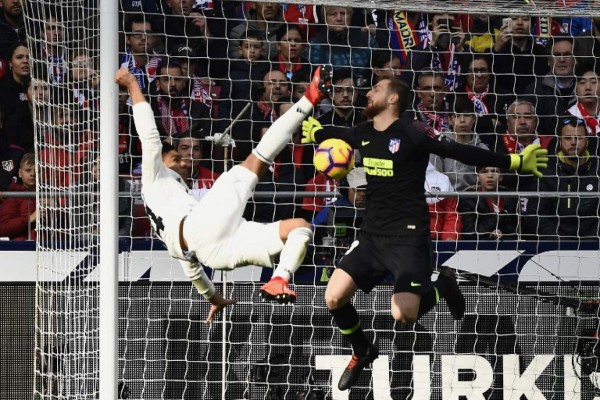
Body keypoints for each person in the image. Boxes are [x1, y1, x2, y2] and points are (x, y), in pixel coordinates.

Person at [300, 76, 548, 390]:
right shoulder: (362, 132)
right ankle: (362, 350)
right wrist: (317, 132)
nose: (368, 93)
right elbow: (342, 134)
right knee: (333, 297)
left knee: (403, 316)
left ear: (392, 99)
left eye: (375, 89)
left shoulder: (413, 131)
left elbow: (459, 151)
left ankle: (442, 284)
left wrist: (512, 161)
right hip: (371, 236)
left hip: (408, 237)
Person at [114, 64, 332, 321]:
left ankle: (279, 279)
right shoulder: (154, 176)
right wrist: (132, 84)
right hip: (202, 229)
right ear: (160, 163)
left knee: (300, 228)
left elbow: (192, 269)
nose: (184, 160)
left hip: (209, 252)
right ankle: (310, 98)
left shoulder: (167, 211)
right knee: (258, 158)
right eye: (176, 157)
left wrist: (213, 298)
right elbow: (150, 136)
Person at [534, 116, 600, 240]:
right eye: (568, 138)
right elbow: (539, 216)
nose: (573, 142)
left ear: (587, 141)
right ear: (559, 141)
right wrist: (562, 244)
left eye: (579, 138)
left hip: (595, 245)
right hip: (555, 247)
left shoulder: (597, 170)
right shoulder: (546, 171)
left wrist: (592, 242)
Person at [459, 165, 519, 241]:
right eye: (485, 172)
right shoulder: (469, 198)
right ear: (478, 177)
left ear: (501, 177)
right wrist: (500, 216)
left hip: (508, 245)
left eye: (494, 171)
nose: (490, 175)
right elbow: (470, 233)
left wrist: (502, 234)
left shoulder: (511, 196)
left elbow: (516, 229)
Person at [0, 152, 37, 240]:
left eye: (36, 171)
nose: (32, 174)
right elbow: (3, 229)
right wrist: (30, 218)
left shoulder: (49, 196)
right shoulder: (13, 197)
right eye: (28, 170)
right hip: (22, 248)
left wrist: (56, 207)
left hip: (49, 248)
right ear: (20, 173)